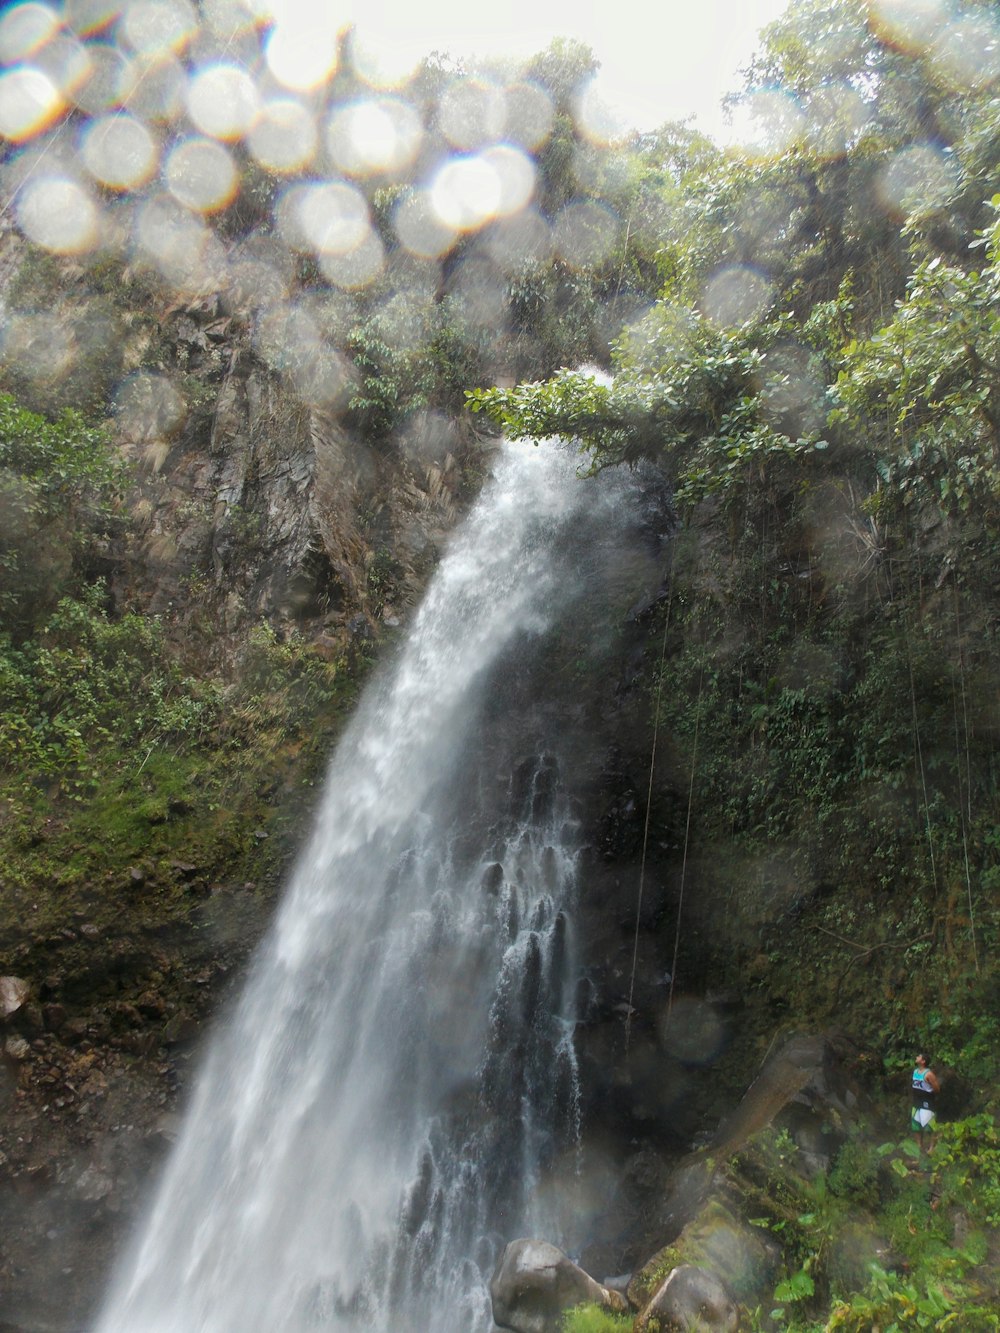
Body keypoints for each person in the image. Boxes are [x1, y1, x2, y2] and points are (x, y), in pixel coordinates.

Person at [911, 1053, 940, 1152]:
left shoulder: (929, 1074)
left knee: (929, 1127)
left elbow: (937, 1088)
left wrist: (929, 1094)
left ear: (923, 1061)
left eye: (918, 1057)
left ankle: (931, 1148)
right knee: (916, 1126)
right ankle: (919, 1147)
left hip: (926, 1103)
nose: (916, 1057)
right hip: (916, 1102)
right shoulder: (915, 1072)